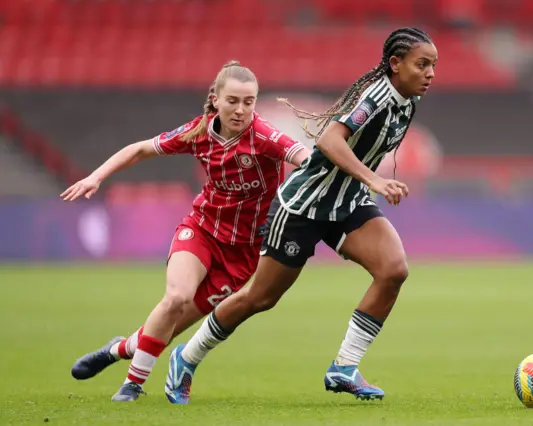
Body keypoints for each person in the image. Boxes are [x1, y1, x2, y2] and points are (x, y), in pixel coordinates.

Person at [164, 27, 437, 404]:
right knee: (259, 298)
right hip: (304, 206)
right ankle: (186, 356)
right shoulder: (374, 97)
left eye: (433, 66)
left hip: (346, 202)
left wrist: (365, 184)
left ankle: (344, 367)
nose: (430, 73)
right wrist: (375, 179)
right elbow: (328, 140)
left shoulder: (407, 102)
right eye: (421, 64)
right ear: (395, 64)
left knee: (393, 270)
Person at [61, 61, 310, 402]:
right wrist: (96, 177)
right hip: (202, 230)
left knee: (168, 326)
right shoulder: (198, 132)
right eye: (233, 100)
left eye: (249, 102)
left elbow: (304, 157)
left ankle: (117, 350)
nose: (241, 110)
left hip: (242, 255)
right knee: (175, 299)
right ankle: (132, 386)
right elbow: (140, 149)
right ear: (215, 99)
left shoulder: (264, 137)